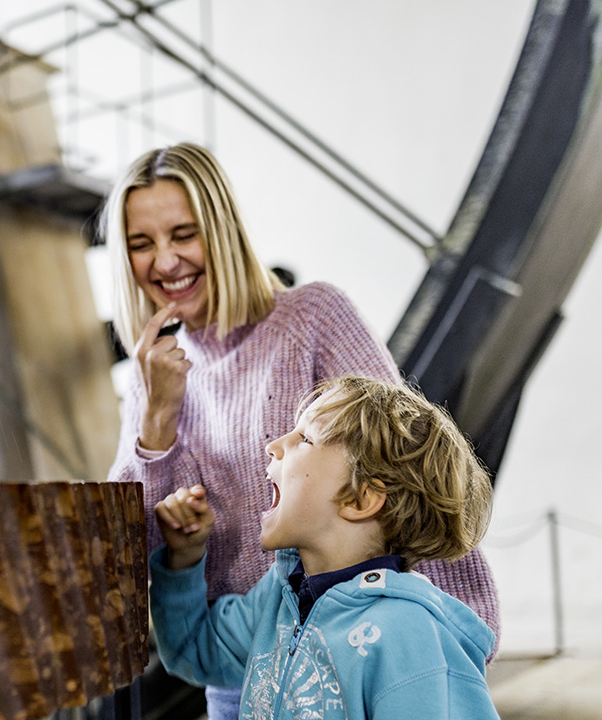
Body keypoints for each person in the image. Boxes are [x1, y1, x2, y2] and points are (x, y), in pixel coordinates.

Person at [101, 142, 499, 719]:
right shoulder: (151, 376)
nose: (165, 262)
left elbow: (405, 464)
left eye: (183, 234)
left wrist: (457, 629)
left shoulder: (314, 318)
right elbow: (131, 544)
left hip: (364, 650)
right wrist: (157, 420)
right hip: (249, 662)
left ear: (222, 230)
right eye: (142, 244)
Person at [150, 376, 499, 718]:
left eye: (305, 438)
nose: (273, 446)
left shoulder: (409, 636)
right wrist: (184, 558)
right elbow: (194, 648)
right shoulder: (279, 599)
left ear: (361, 498)